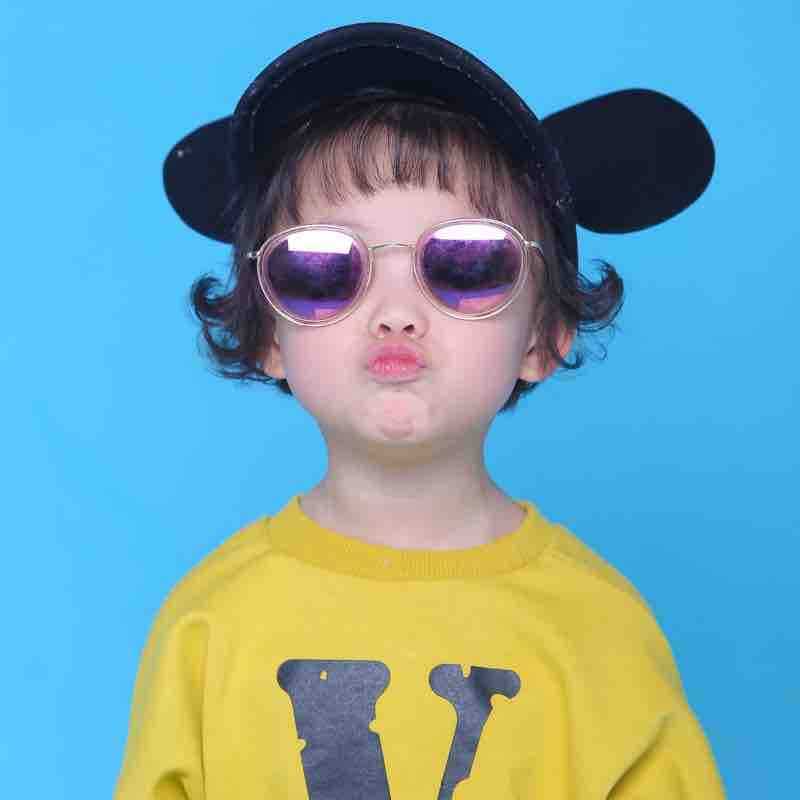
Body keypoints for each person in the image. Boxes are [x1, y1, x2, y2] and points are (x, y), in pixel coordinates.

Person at [113, 22, 726, 799]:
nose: (396, 312)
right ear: (266, 333)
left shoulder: (602, 629)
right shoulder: (206, 626)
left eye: (468, 261)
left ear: (544, 335)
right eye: (321, 265)